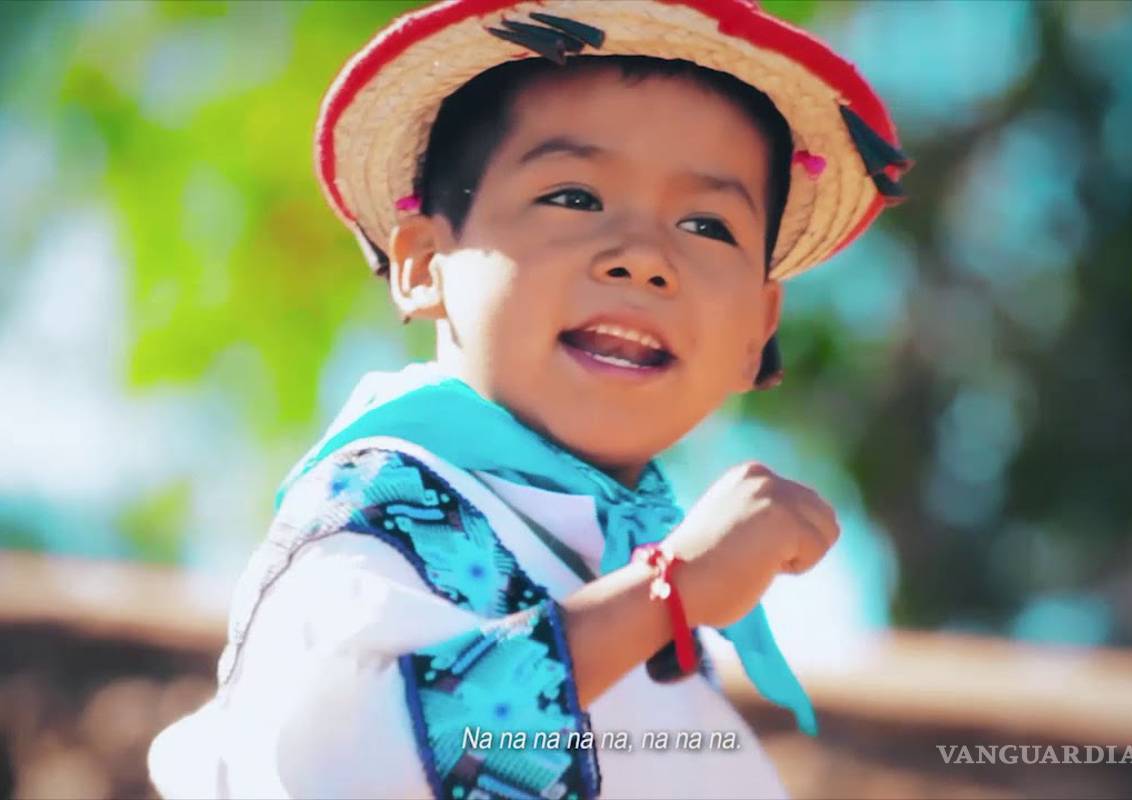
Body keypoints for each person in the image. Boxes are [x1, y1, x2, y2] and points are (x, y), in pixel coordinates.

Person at [148, 1, 909, 797]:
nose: (645, 258)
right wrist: (666, 591)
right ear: (424, 264)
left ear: (758, 327)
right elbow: (337, 769)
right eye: (574, 197)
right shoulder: (382, 509)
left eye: (706, 225)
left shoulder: (640, 580)